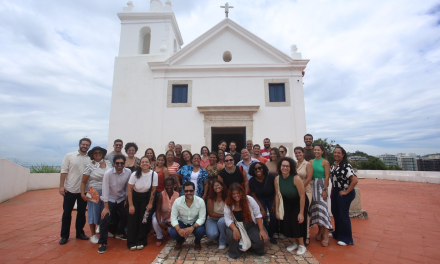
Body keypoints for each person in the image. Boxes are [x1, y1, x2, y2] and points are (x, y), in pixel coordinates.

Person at [59, 138, 92, 245]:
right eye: (83, 144)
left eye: (87, 145)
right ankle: (64, 236)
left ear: (89, 146)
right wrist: (61, 186)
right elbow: (64, 170)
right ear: (79, 144)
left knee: (82, 213)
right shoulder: (70, 156)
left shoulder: (90, 159)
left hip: (84, 190)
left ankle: (79, 232)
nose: (85, 146)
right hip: (70, 189)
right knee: (67, 213)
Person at [97, 155, 132, 254]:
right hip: (110, 199)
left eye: (122, 163)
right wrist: (106, 207)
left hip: (121, 199)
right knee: (105, 219)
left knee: (126, 216)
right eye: (117, 163)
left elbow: (127, 186)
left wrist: (126, 199)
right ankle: (102, 243)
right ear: (114, 164)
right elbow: (105, 189)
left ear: (124, 164)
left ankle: (119, 232)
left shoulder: (128, 172)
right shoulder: (108, 173)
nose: (119, 165)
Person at [224, 183, 268, 259]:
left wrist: (261, 230)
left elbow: (258, 214)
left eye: (238, 193)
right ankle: (236, 252)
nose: (236, 195)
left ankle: (252, 248)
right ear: (230, 195)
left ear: (242, 192)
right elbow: (227, 219)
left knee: (261, 239)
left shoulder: (249, 200)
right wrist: (234, 229)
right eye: (233, 194)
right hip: (237, 225)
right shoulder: (228, 203)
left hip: (251, 225)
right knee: (231, 235)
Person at [274, 157, 308, 255]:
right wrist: (276, 210)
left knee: (296, 222)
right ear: (280, 167)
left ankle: (302, 245)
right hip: (286, 202)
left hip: (298, 202)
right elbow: (277, 195)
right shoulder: (277, 179)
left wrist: (301, 213)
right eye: (283, 166)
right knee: (287, 222)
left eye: (287, 166)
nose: (285, 168)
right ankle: (294, 243)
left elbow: (302, 196)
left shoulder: (296, 178)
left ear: (291, 167)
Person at [80, 146, 112, 244]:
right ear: (92, 155)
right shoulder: (90, 166)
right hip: (94, 191)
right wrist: (82, 194)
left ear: (103, 154)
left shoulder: (108, 163)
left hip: (107, 191)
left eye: (100, 152)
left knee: (105, 212)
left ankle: (103, 230)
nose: (98, 154)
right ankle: (93, 234)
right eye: (95, 153)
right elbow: (83, 181)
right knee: (93, 213)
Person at [127, 156, 158, 250]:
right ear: (140, 164)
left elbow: (153, 190)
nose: (144, 164)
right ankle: (131, 242)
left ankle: (141, 241)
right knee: (132, 219)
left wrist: (150, 203)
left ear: (150, 164)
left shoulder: (154, 174)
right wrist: (131, 205)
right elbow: (129, 190)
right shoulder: (135, 174)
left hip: (145, 197)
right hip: (134, 197)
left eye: (146, 162)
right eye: (142, 162)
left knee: (143, 220)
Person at [330, 147, 358, 246]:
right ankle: (337, 233)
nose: (336, 154)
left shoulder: (346, 165)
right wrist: (332, 192)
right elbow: (334, 181)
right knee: (335, 213)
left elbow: (354, 180)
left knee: (343, 215)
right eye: (335, 152)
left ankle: (346, 238)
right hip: (336, 191)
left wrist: (346, 192)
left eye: (339, 153)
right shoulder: (334, 165)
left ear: (343, 155)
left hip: (344, 191)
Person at [307, 144, 332, 247]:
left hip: (321, 186)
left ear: (322, 151)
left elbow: (327, 177)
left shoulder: (325, 162)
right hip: (312, 185)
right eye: (315, 150)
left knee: (323, 209)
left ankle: (326, 234)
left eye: (318, 150)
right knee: (315, 209)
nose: (316, 151)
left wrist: (325, 189)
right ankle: (320, 230)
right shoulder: (311, 162)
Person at [169, 182, 206, 250]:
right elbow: (173, 218)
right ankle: (179, 241)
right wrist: (179, 229)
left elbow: (202, 218)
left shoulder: (200, 201)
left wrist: (192, 227)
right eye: (186, 191)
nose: (189, 192)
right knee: (173, 233)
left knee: (200, 231)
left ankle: (197, 242)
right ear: (183, 191)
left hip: (194, 223)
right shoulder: (177, 201)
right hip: (182, 222)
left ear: (194, 191)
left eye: (191, 191)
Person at [248, 162, 277, 244]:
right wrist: (261, 208)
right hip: (260, 199)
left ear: (263, 168)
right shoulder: (252, 181)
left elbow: (276, 191)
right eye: (255, 169)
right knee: (262, 216)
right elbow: (254, 196)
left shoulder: (271, 177)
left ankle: (271, 235)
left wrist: (274, 203)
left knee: (274, 216)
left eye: (259, 168)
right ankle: (264, 233)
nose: (258, 170)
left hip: (271, 197)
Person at [294, 147, 313, 246]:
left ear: (303, 153)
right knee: (297, 213)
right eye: (296, 153)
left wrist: (300, 188)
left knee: (305, 213)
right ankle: (298, 234)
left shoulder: (308, 164)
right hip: (296, 192)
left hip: (306, 190)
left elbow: (309, 177)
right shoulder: (294, 164)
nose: (298, 154)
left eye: (299, 152)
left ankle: (307, 235)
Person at [153, 178, 180, 246]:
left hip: (171, 217)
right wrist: (160, 222)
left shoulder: (177, 195)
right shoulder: (161, 195)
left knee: (173, 234)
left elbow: (179, 210)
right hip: (161, 215)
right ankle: (159, 237)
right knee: (155, 221)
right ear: (164, 186)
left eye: (170, 185)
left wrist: (173, 221)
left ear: (173, 185)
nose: (169, 187)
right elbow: (158, 210)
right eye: (167, 185)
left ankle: (168, 232)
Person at [206, 180, 228, 249]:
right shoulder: (210, 198)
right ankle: (217, 237)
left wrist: (224, 217)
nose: (217, 187)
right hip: (212, 219)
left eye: (218, 185)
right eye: (215, 186)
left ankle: (222, 241)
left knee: (221, 222)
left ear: (222, 187)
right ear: (212, 188)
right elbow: (211, 214)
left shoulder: (227, 197)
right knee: (212, 234)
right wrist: (223, 215)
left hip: (223, 220)